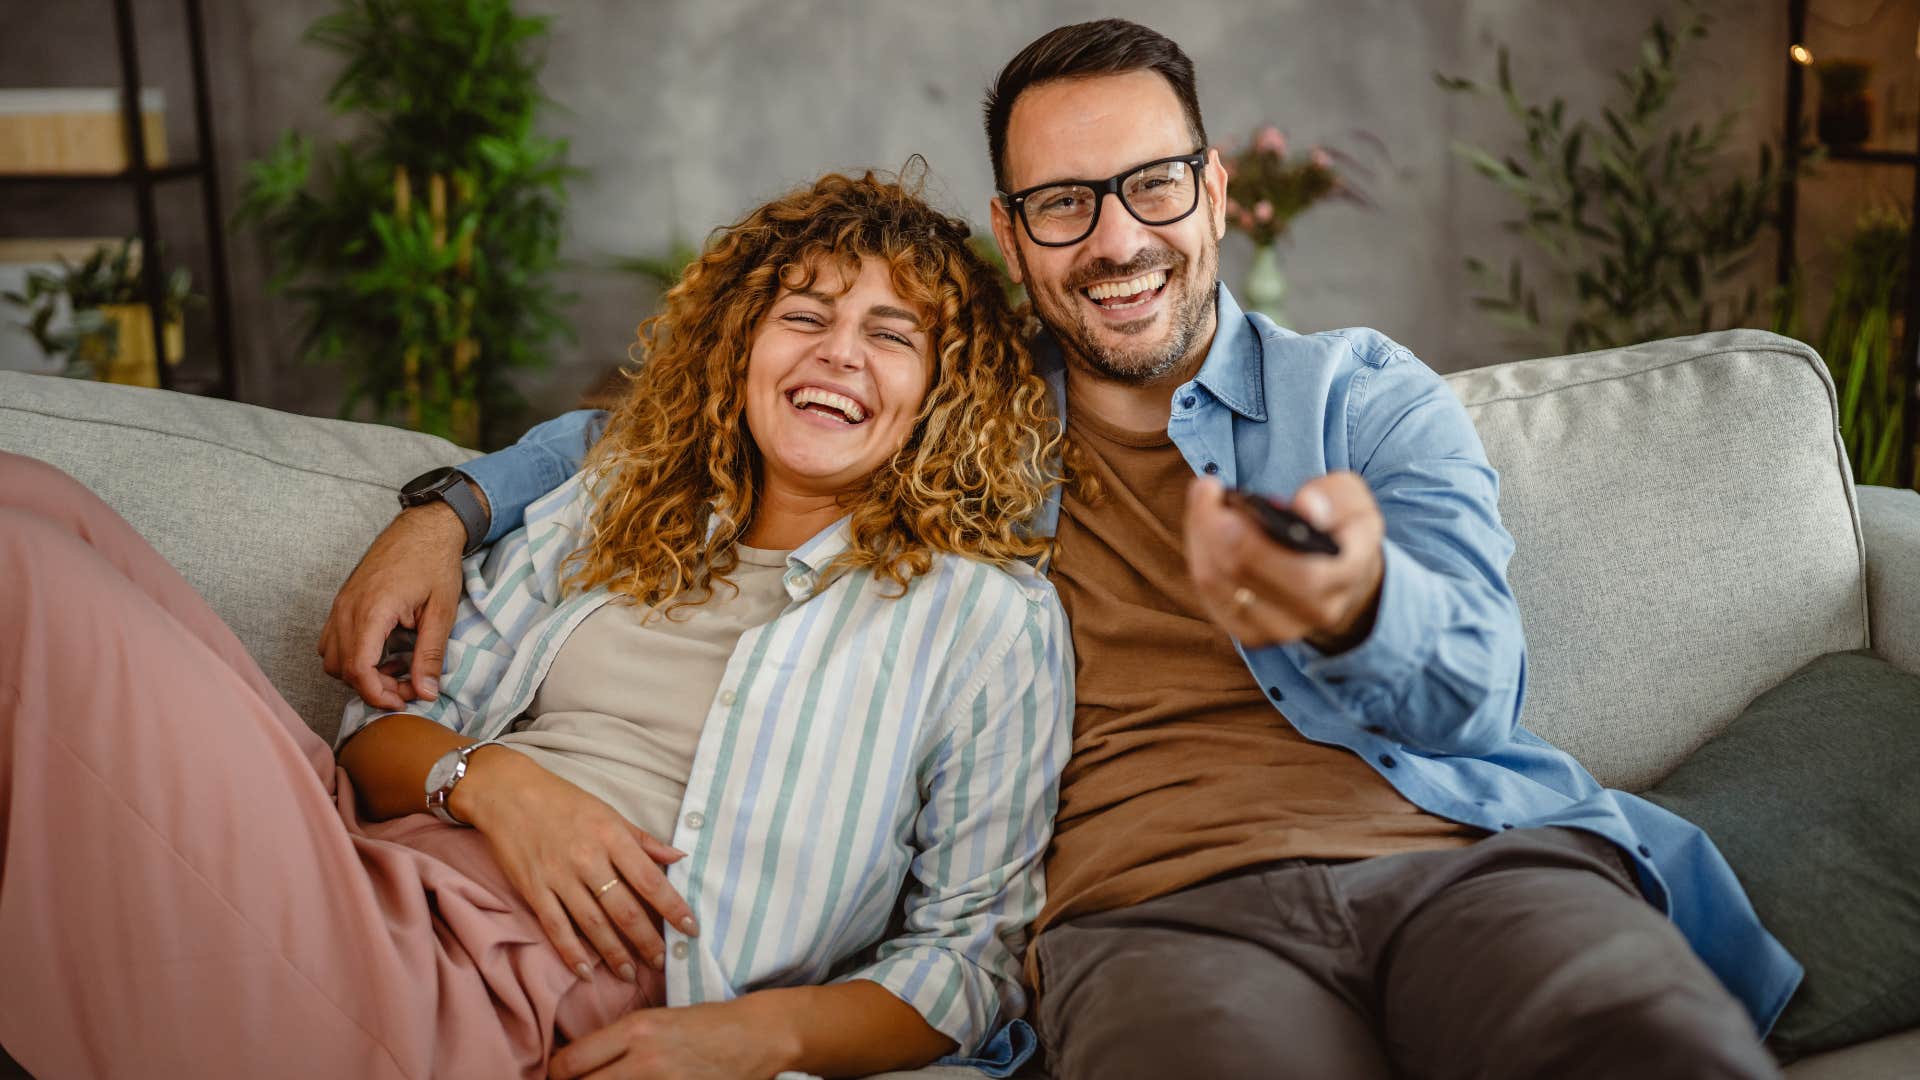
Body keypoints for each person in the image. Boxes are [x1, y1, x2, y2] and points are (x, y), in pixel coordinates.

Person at [325, 20, 1801, 1080]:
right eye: (1063, 204)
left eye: (1153, 185)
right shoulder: (960, 414)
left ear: (1215, 189)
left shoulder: (1363, 399)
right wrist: (446, 506)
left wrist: (1356, 603)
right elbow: (691, 428)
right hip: (1154, 921)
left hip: (1466, 861)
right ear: (1013, 232)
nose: (1117, 241)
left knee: (1644, 1045)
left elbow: (1477, 686)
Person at [0, 170, 1074, 1080]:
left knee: (20, 568)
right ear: (741, 345)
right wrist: (497, 784)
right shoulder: (612, 504)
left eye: (892, 335)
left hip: (502, 979)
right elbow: (371, 739)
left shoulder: (981, 617)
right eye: (804, 314)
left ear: (942, 393)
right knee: (35, 500)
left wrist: (754, 1034)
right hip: (359, 859)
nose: (839, 352)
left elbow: (970, 953)